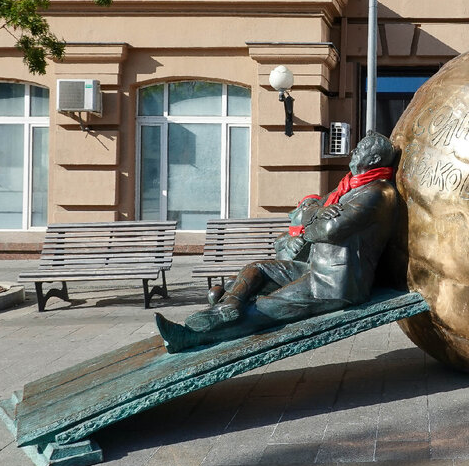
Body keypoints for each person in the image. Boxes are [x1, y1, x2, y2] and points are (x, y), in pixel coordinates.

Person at [155, 131, 399, 353]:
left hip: (336, 283)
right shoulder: (348, 187)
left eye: (359, 149)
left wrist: (313, 221)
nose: (352, 152)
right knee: (257, 269)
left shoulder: (376, 192)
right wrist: (316, 213)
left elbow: (327, 230)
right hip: (313, 268)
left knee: (264, 309)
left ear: (375, 160)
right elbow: (304, 210)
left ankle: (189, 336)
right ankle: (229, 303)